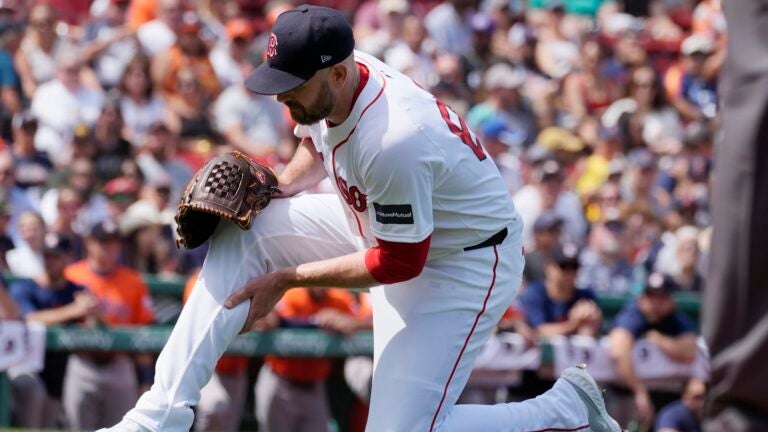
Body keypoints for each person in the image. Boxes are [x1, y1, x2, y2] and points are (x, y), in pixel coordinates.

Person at [101, 6, 620, 432]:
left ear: (339, 73)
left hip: (461, 262)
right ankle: (157, 418)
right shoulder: (337, 78)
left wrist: (288, 278)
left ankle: (563, 410)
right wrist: (282, 185)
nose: (282, 95)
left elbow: (399, 262)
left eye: (292, 85)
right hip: (381, 223)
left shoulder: (392, 139)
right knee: (252, 227)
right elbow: (315, 140)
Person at [63, 220, 155, 430]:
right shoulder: (72, 275)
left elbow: (145, 333)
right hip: (81, 360)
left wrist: (145, 378)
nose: (108, 247)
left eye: (113, 242)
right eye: (103, 241)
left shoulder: (133, 281)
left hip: (119, 363)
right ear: (89, 243)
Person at [7, 234, 97, 429]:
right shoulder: (26, 287)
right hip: (26, 363)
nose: (50, 261)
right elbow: (28, 318)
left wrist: (91, 312)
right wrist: (72, 311)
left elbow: (91, 326)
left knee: (49, 425)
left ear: (68, 258)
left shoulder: (77, 290)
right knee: (33, 400)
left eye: (56, 256)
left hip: (62, 367)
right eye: (47, 256)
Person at [256, 287, 365, 432]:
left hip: (315, 387)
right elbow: (274, 320)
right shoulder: (292, 294)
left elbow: (364, 320)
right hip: (281, 382)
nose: (320, 286)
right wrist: (316, 322)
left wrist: (348, 322)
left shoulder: (339, 298)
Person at [608, 272, 698, 428]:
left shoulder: (673, 317)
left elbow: (690, 349)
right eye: (650, 296)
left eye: (661, 297)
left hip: (663, 393)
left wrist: (660, 340)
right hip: (623, 392)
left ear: (671, 300)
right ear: (642, 297)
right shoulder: (635, 313)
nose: (655, 303)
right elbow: (618, 349)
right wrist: (639, 392)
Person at [518, 243, 602, 338]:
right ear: (549, 267)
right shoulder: (534, 293)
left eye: (574, 267)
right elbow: (540, 331)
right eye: (564, 267)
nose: (569, 272)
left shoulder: (585, 296)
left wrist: (590, 323)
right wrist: (574, 324)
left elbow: (588, 338)